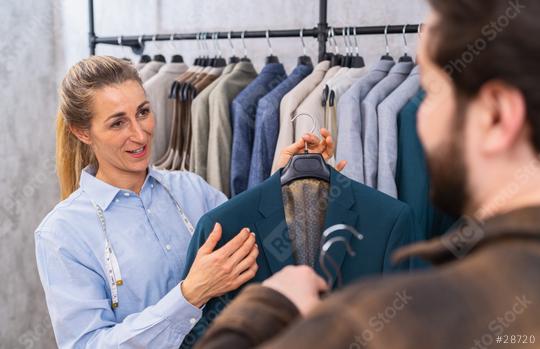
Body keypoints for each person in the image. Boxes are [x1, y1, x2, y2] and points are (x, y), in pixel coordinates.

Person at [195, 0, 540, 348]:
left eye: (432, 92)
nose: (420, 118)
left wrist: (268, 306)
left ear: (496, 115)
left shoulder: (393, 319)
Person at [34, 56, 344, 348]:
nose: (140, 135)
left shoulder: (191, 189)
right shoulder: (62, 234)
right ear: (82, 132)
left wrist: (292, 183)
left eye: (143, 112)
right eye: (118, 123)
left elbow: (255, 250)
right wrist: (189, 295)